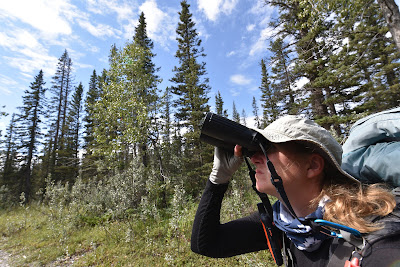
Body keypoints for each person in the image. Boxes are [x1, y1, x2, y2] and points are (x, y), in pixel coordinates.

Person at [191, 115, 400, 267]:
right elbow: (208, 243)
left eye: (268, 149)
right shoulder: (288, 223)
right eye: (255, 151)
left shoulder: (373, 231)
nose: (254, 158)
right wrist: (218, 179)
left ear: (313, 166)